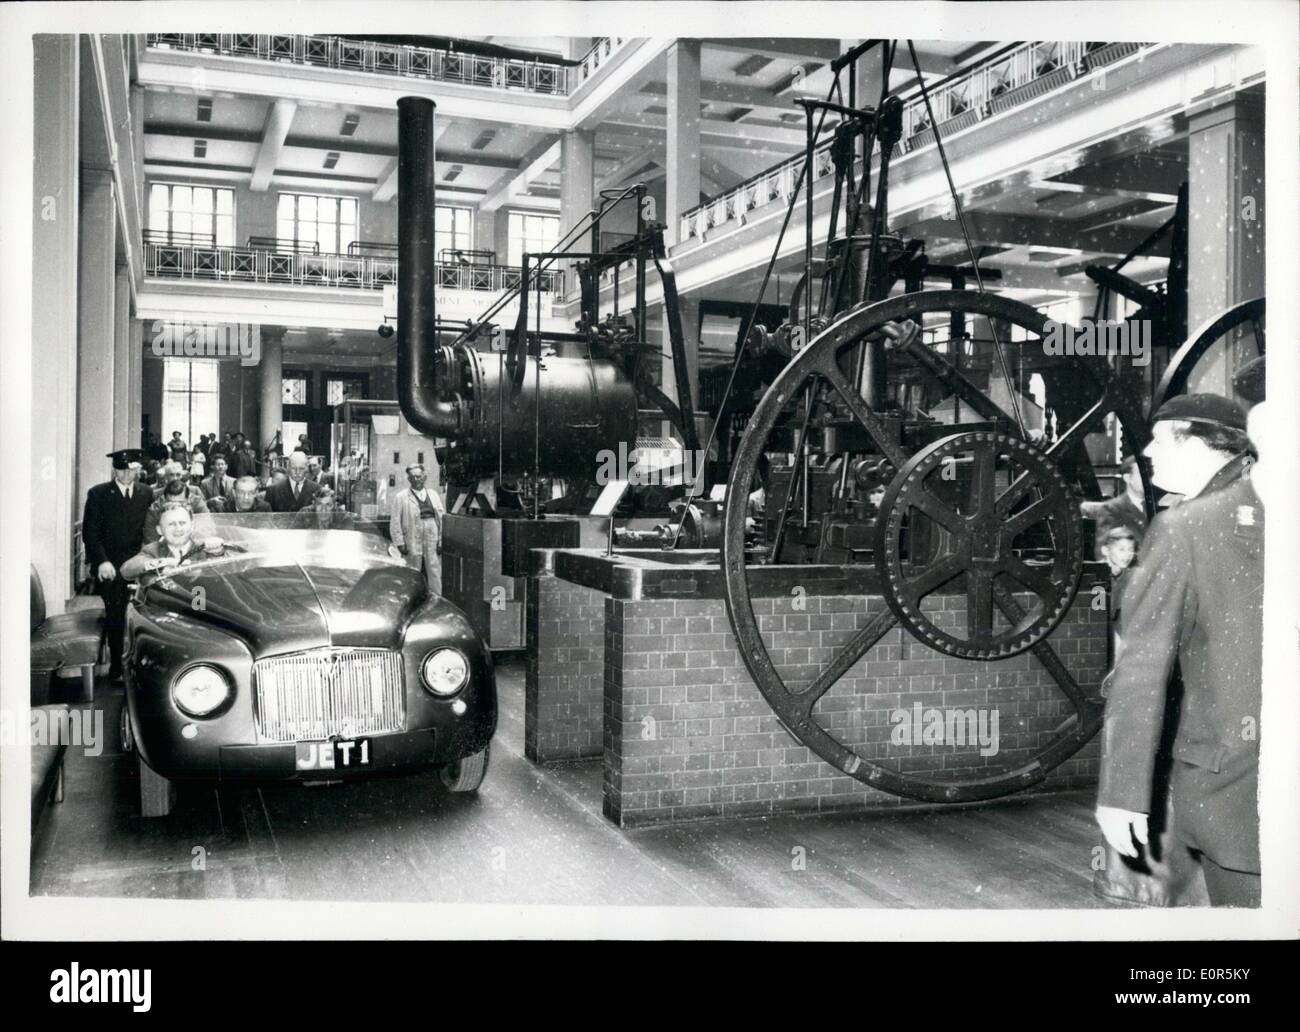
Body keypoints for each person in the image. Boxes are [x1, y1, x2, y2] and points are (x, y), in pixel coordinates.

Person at [1095, 393, 1262, 907]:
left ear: (1201, 444)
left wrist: (1122, 794)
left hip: (1228, 781)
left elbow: (1142, 666)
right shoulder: (1247, 506)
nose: (1147, 450)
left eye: (1162, 437)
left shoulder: (1187, 525)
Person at [81, 449, 153, 683]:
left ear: (137, 469)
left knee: (145, 614)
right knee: (116, 616)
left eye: (131, 469)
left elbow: (150, 529)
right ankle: (116, 667)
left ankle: (142, 664)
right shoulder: (99, 494)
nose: (126, 474)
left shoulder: (146, 492)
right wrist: (101, 561)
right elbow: (90, 533)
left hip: (139, 562)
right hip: (109, 565)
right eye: (122, 469)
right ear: (114, 470)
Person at [121, 503, 225, 580]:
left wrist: (218, 552)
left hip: (204, 604)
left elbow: (227, 572)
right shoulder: (152, 549)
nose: (178, 528)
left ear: (192, 526)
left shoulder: (204, 548)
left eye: (182, 523)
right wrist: (164, 562)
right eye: (171, 524)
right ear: (159, 530)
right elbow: (126, 570)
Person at [390, 463, 445, 595]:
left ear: (424, 477)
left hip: (432, 533)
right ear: (408, 479)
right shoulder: (401, 497)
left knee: (434, 569)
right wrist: (400, 543)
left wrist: (441, 541)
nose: (416, 479)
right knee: (413, 570)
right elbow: (395, 521)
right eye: (413, 477)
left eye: (419, 476)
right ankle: (411, 599)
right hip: (412, 535)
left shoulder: (434, 495)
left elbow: (441, 519)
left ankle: (437, 600)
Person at [1082, 454, 1147, 552]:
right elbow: (1104, 552)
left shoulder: (1157, 507)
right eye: (1141, 474)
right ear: (1127, 478)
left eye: (1148, 474)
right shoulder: (1111, 509)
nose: (1147, 478)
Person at [144, 476, 209, 541]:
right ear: (165, 500)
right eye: (171, 503)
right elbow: (151, 540)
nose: (175, 507)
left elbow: (207, 530)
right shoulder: (154, 510)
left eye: (180, 503)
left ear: (188, 499)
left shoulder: (197, 503)